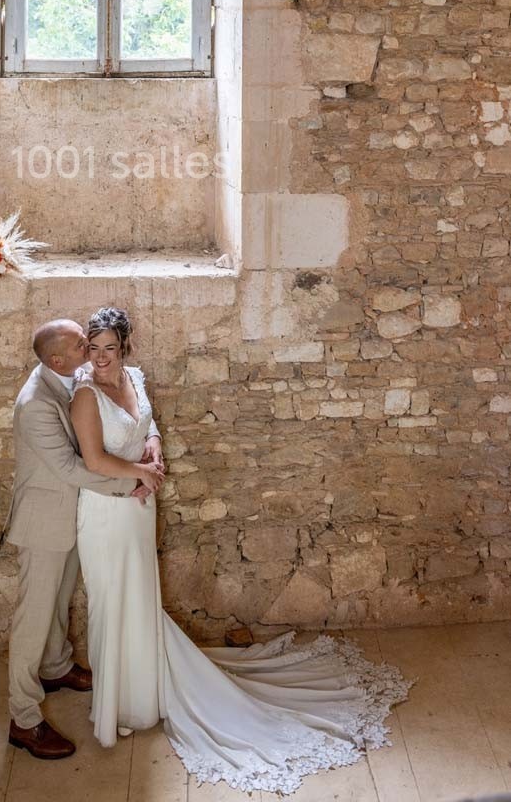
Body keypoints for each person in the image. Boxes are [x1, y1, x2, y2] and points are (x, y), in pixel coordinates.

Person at [70, 305, 413, 795]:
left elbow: (146, 423)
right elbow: (95, 459)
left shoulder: (134, 377)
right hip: (107, 511)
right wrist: (144, 476)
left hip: (140, 511)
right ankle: (119, 703)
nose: (102, 358)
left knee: (140, 599)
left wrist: (155, 448)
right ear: (87, 348)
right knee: (111, 601)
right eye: (95, 348)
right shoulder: (85, 394)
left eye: (111, 349)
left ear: (124, 348)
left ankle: (145, 695)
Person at [4, 317, 164, 760]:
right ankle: (24, 718)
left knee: (59, 600)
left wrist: (150, 439)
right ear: (59, 358)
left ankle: (55, 667)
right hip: (44, 520)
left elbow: (129, 408)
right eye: (82, 344)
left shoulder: (69, 375)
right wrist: (132, 485)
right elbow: (74, 468)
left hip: (77, 511)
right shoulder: (35, 404)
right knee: (33, 617)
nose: (91, 350)